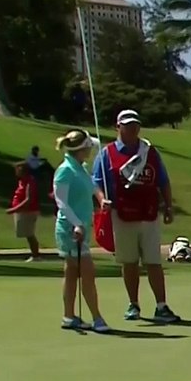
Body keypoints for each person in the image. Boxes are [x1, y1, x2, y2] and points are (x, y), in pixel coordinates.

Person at [91, 108, 180, 323]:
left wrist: (168, 206)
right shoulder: (107, 153)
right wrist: (102, 199)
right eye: (128, 125)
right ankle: (134, 304)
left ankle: (161, 306)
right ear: (118, 127)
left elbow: (163, 181)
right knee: (129, 262)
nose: (132, 129)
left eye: (135, 125)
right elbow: (95, 181)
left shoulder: (149, 152)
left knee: (153, 261)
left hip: (148, 214)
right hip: (121, 214)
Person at [52, 129, 110, 333]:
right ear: (81, 149)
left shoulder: (80, 167)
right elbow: (61, 202)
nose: (90, 151)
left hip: (81, 227)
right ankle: (97, 318)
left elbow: (92, 187)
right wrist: (77, 223)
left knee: (72, 273)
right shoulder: (65, 170)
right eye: (88, 147)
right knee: (86, 273)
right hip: (70, 229)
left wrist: (101, 199)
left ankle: (69, 316)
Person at [6, 161, 42, 261]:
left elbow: (28, 199)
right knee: (27, 233)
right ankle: (35, 254)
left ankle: (36, 255)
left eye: (17, 169)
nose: (16, 171)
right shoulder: (22, 181)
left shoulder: (30, 181)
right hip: (23, 212)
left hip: (28, 211)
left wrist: (14, 209)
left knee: (29, 234)